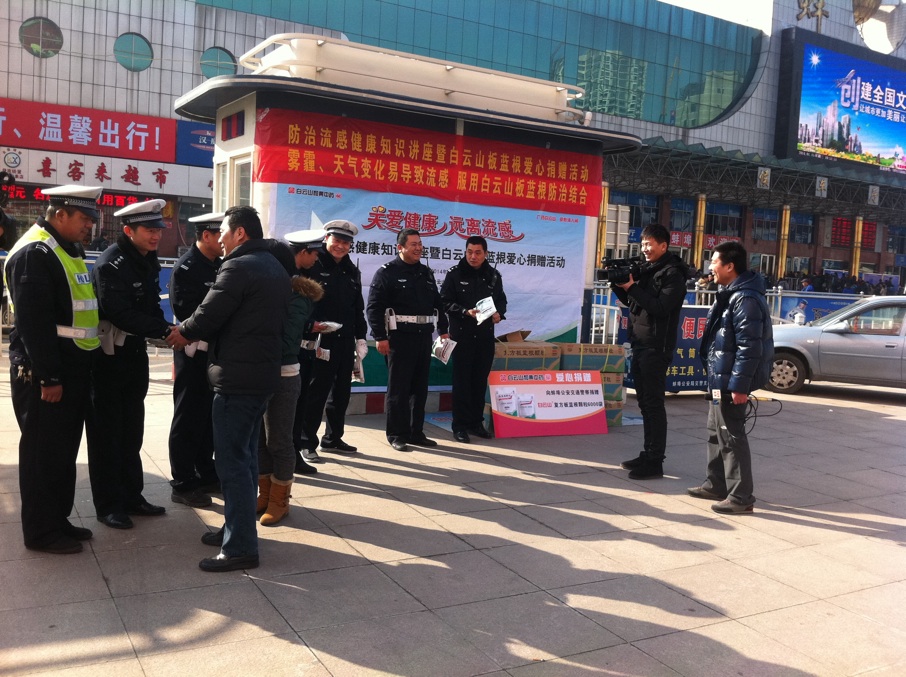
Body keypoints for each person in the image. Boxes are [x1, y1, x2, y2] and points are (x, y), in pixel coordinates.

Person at [167, 205, 290, 572]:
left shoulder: (239, 266)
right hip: (260, 377)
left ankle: (239, 548)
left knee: (233, 464)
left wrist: (182, 332)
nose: (219, 238)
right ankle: (235, 529)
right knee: (246, 459)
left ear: (239, 233)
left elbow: (209, 313)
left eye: (223, 230)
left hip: (238, 380)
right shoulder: (273, 265)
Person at [4, 185, 103, 553]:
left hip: (71, 366)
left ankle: (57, 520)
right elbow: (34, 324)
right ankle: (41, 533)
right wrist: (49, 377)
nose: (90, 225)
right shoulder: (35, 253)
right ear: (60, 214)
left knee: (62, 452)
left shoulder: (65, 248)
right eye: (84, 218)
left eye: (92, 219)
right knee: (42, 455)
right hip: (45, 373)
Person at [87, 199, 172, 530]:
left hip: (134, 353)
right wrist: (164, 330)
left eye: (158, 230)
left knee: (132, 430)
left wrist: (164, 328)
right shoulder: (112, 263)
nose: (156, 236)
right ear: (128, 230)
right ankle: (109, 505)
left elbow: (150, 305)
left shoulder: (145, 259)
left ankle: (132, 496)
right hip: (109, 357)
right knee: (107, 433)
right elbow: (119, 312)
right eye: (149, 230)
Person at [688, 241, 773, 514]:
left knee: (732, 436)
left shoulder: (745, 299)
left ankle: (741, 497)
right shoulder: (730, 294)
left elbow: (750, 348)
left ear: (730, 266)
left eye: (714, 262)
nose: (711, 267)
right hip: (720, 378)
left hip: (730, 381)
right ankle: (716, 483)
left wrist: (739, 386)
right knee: (716, 432)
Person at [611, 223, 688, 480]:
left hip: (657, 346)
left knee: (653, 404)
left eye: (649, 244)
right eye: (643, 243)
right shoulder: (647, 269)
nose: (645, 248)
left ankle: (655, 461)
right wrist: (619, 285)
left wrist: (632, 287)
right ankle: (648, 453)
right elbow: (633, 301)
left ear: (663, 246)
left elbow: (660, 307)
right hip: (640, 343)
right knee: (644, 403)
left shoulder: (673, 274)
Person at [367, 228, 449, 451]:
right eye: (413, 244)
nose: (418, 248)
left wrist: (443, 330)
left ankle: (415, 432)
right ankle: (397, 434)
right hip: (399, 338)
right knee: (399, 389)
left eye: (420, 244)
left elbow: (437, 304)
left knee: (419, 388)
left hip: (423, 337)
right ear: (400, 247)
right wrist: (380, 336)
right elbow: (374, 307)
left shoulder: (426, 272)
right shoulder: (387, 272)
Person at [166, 212, 224, 509]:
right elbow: (184, 309)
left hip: (213, 352)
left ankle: (205, 472)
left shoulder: (220, 265)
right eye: (220, 234)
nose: (225, 240)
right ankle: (183, 481)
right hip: (192, 350)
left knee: (208, 416)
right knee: (188, 416)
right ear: (206, 236)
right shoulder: (186, 267)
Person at [299, 220, 368, 461]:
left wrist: (361, 337)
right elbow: (303, 304)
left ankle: (333, 438)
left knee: (341, 393)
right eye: (336, 240)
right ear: (326, 239)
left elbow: (357, 308)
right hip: (321, 340)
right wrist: (312, 326)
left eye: (346, 243)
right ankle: (307, 442)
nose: (341, 246)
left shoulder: (351, 270)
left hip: (345, 341)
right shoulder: (314, 266)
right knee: (316, 393)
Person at [257, 273, 323, 525]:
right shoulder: (263, 288)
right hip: (258, 372)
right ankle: (265, 495)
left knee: (278, 440)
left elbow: (285, 340)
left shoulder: (298, 297)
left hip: (284, 374)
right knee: (259, 441)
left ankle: (279, 501)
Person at [440, 235, 507, 443]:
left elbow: (501, 301)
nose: (473, 256)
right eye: (469, 252)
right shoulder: (455, 274)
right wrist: (464, 311)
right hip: (462, 337)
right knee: (462, 382)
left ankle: (476, 423)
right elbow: (444, 302)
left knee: (479, 382)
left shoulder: (493, 276)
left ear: (485, 254)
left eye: (478, 253)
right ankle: (459, 426)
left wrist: (499, 314)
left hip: (485, 338)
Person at [284, 228, 327, 473]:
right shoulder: (284, 278)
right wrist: (310, 325)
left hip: (306, 350)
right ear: (303, 252)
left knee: (300, 405)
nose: (317, 259)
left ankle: (294, 453)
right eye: (314, 254)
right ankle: (285, 458)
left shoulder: (308, 276)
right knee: (286, 410)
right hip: (289, 353)